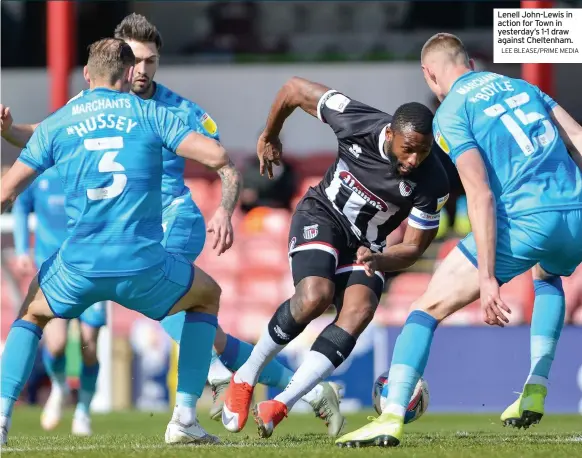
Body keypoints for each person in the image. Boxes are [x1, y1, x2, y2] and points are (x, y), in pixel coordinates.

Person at [1, 12, 344, 435]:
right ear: (124, 63)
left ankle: (217, 381)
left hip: (174, 218)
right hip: (128, 229)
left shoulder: (179, 109)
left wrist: (223, 209)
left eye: (151, 62)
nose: (143, 71)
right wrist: (10, 129)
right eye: (137, 61)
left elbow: (221, 162)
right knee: (190, 314)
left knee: (176, 304)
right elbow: (42, 135)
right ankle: (284, 385)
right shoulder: (92, 106)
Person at [335, 33, 582, 448]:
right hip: (576, 214)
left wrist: (488, 278)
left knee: (425, 309)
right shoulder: (524, 86)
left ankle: (391, 415)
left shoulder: (451, 111)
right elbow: (577, 136)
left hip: (525, 221)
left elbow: (480, 192)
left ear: (429, 74)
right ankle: (535, 388)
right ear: (467, 61)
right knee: (548, 276)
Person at [0, 37, 239, 446]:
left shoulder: (62, 121)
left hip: (78, 266)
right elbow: (217, 156)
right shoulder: (150, 114)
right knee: (206, 296)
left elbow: (6, 192)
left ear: (88, 76)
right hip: (144, 266)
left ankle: (2, 420)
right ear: (130, 74)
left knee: (32, 316)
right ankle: (184, 418)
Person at [222, 76, 450, 438]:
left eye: (422, 152)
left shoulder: (434, 181)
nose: (413, 160)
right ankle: (246, 375)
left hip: (371, 247)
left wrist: (382, 259)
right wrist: (271, 134)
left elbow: (415, 248)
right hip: (321, 216)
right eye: (408, 149)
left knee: (359, 311)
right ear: (390, 134)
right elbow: (294, 89)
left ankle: (281, 403)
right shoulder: (355, 119)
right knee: (316, 296)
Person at [10, 166, 106, 436]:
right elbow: (20, 207)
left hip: (92, 268)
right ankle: (59, 385)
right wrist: (21, 249)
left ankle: (83, 412)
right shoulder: (40, 173)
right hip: (52, 270)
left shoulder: (90, 166)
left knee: (89, 347)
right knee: (58, 343)